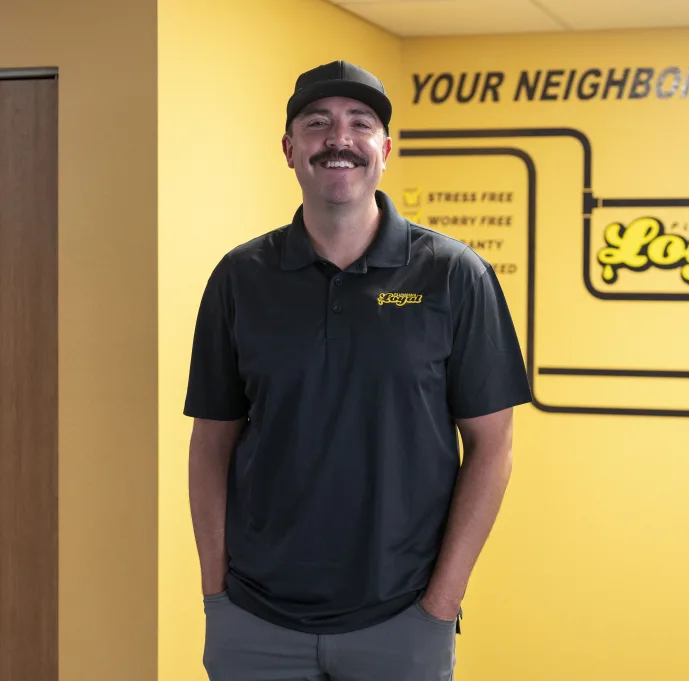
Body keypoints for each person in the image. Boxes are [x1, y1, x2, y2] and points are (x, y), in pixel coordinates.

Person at [184, 60, 532, 681]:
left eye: (360, 123)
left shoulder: (454, 275)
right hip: (255, 621)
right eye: (318, 123)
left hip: (400, 621)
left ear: (385, 149)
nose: (338, 138)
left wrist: (440, 604)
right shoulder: (240, 278)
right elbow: (212, 440)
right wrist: (216, 592)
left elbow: (493, 445)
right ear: (290, 149)